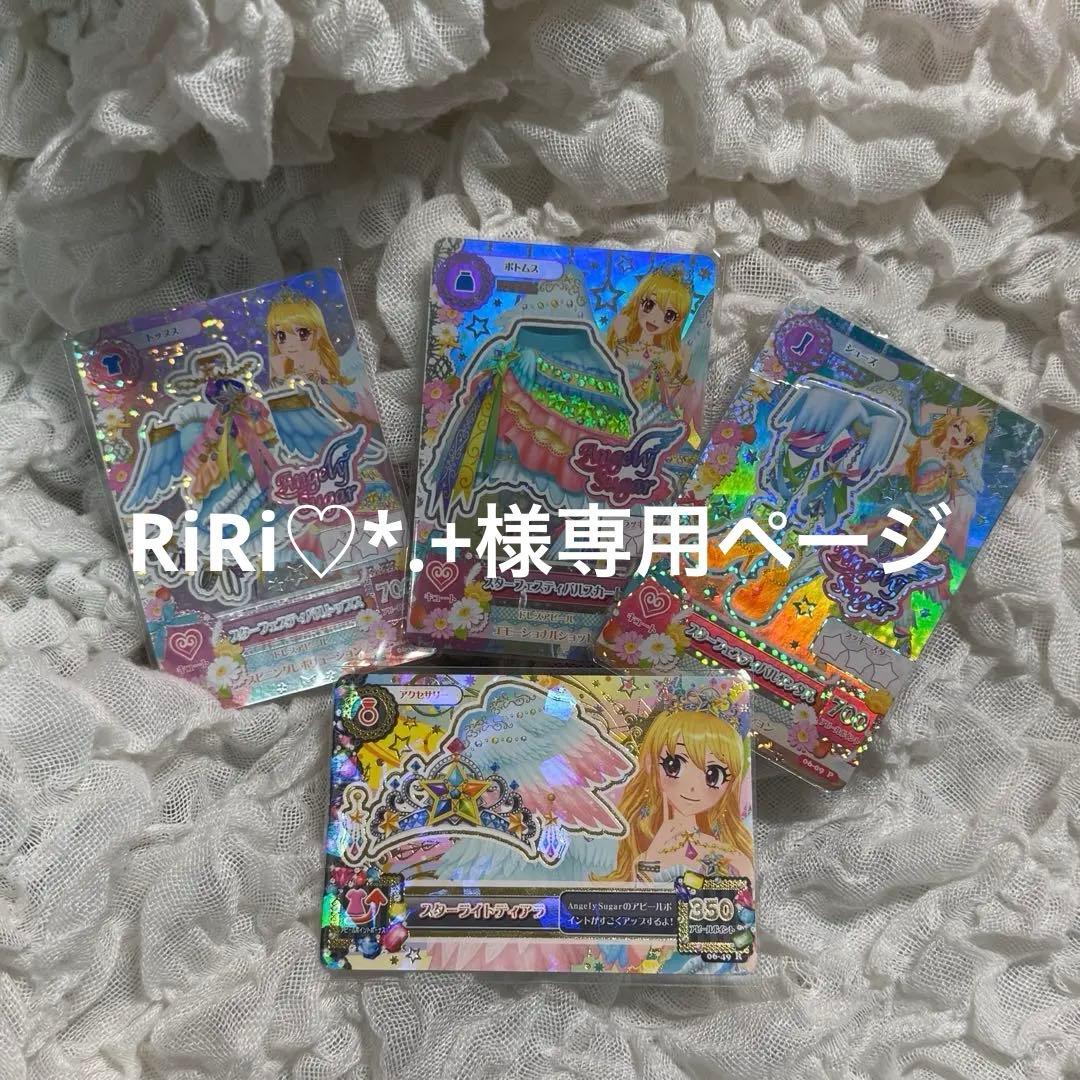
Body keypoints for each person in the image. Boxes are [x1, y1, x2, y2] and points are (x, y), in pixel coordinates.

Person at [597, 708, 753, 884]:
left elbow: (744, 894)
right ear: (650, 763)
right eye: (674, 765)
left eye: (713, 775)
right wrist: (652, 859)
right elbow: (633, 895)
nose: (692, 787)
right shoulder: (641, 851)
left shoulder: (732, 857)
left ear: (730, 783)